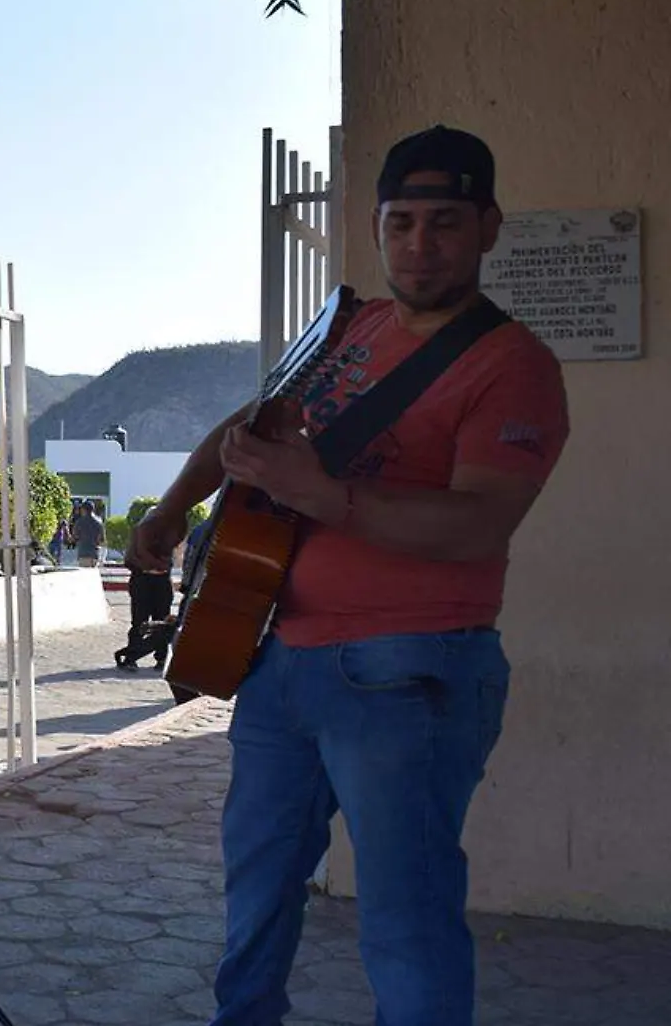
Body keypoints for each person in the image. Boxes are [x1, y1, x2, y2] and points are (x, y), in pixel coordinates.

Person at [128, 125, 569, 1026]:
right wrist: (175, 511)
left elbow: (483, 519)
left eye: (443, 222)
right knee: (254, 894)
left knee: (405, 920)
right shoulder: (352, 324)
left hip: (407, 671)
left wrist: (321, 495)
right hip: (280, 661)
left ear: (488, 227)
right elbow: (244, 427)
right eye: (399, 222)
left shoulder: (513, 366)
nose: (419, 244)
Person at [73, 499, 105, 568]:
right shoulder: (99, 522)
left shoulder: (79, 522)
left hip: (83, 554)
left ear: (84, 510)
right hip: (95, 554)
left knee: (85, 576)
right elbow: (102, 540)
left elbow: (75, 537)